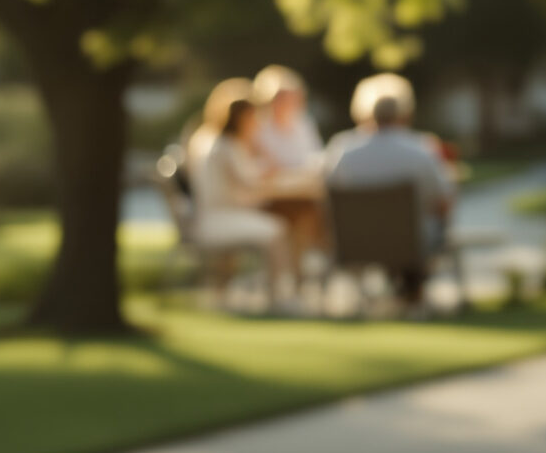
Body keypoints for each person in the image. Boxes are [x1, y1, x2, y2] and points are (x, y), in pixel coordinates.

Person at [324, 72, 457, 307]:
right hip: (412, 242)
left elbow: (327, 197)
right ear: (404, 115)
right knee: (434, 229)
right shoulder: (422, 150)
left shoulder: (343, 151)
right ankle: (410, 291)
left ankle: (401, 289)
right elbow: (442, 203)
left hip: (358, 241)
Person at [186, 77, 298, 298]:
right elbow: (249, 185)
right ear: (242, 118)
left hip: (219, 214)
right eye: (253, 117)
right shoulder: (226, 147)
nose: (257, 123)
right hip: (218, 218)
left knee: (277, 225)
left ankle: (279, 292)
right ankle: (279, 296)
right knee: (278, 230)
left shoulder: (222, 144)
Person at [248, 64, 328, 262]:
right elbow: (259, 168)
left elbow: (316, 157)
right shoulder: (257, 129)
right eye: (281, 97)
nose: (288, 102)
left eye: (292, 97)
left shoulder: (303, 123)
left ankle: (308, 264)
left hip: (304, 192)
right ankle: (296, 267)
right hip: (271, 199)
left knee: (318, 211)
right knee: (301, 214)